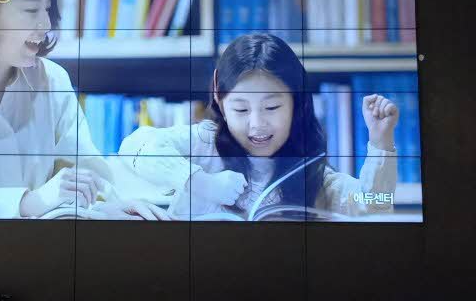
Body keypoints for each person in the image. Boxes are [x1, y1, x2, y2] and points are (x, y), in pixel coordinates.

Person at [118, 33, 399, 219]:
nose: (256, 125)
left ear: (297, 101)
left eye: (272, 107)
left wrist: (381, 141)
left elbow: (376, 203)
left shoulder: (313, 175)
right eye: (240, 109)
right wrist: (200, 182)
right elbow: (134, 147)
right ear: (219, 97)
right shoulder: (203, 144)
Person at [0, 0, 169, 220]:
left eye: (47, 9)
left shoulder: (53, 79)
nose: (46, 25)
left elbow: (84, 174)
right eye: (31, 10)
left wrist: (107, 208)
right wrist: (28, 202)